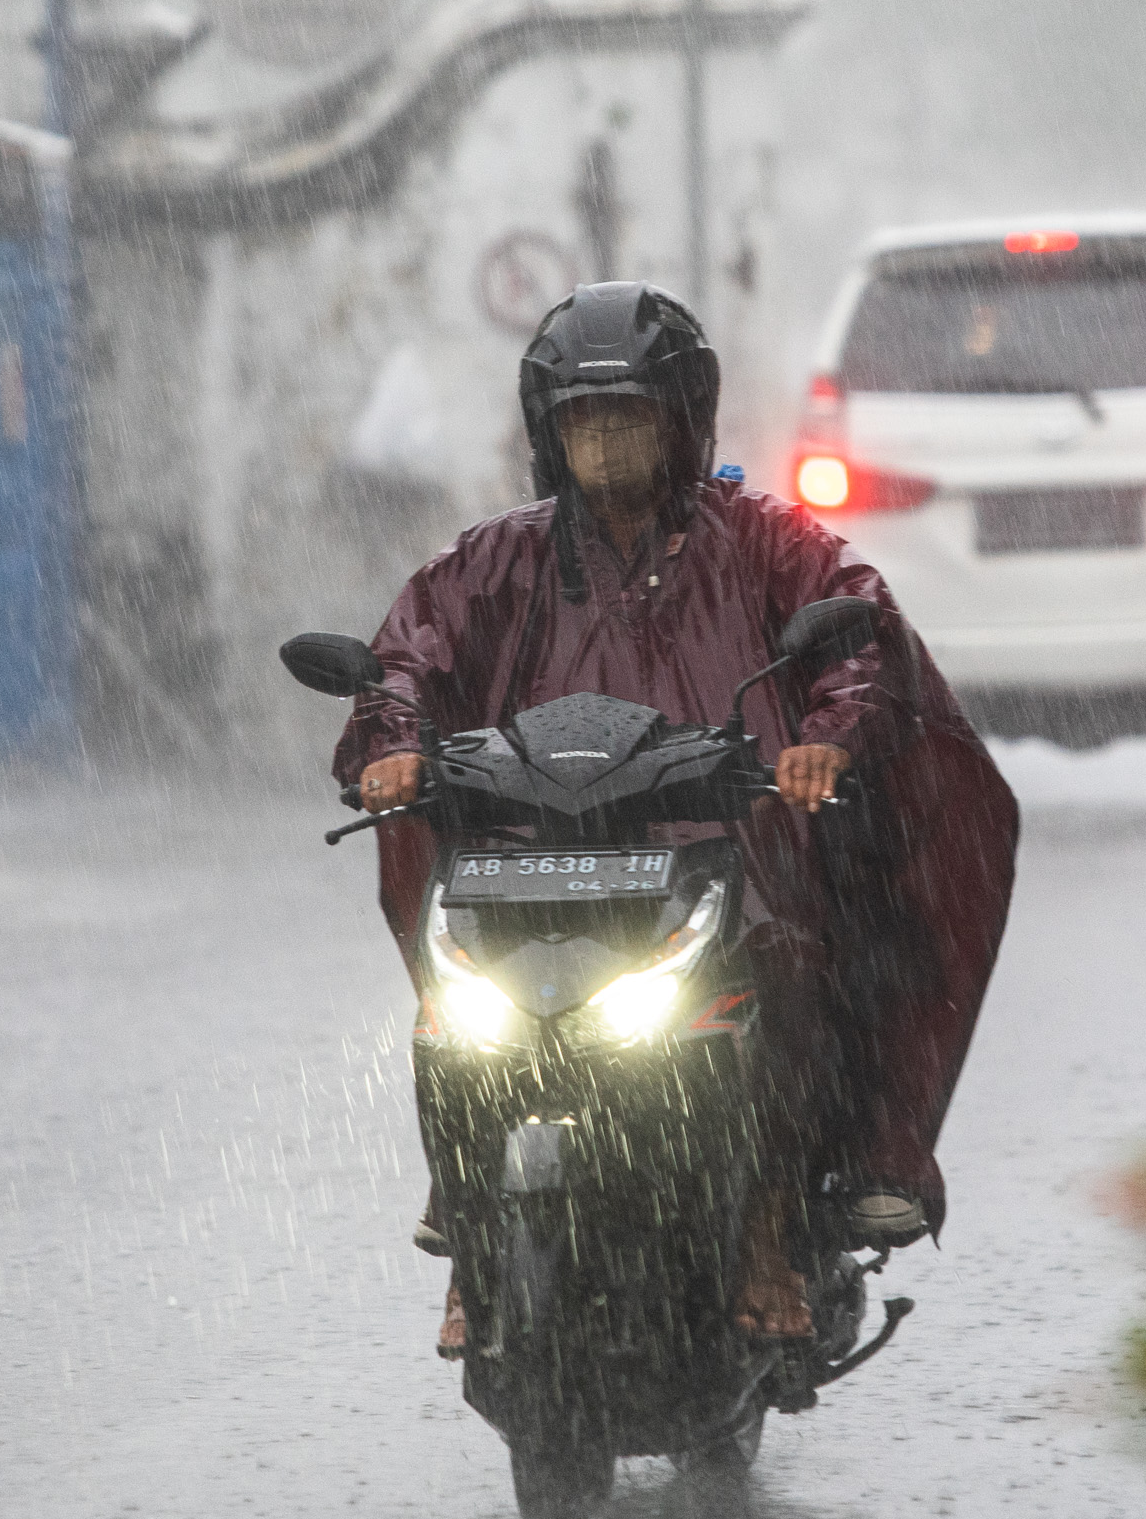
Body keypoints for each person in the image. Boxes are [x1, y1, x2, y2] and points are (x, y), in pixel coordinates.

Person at [328, 281, 1019, 1357]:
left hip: (727, 864)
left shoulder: (767, 540)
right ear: (550, 431)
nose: (603, 441)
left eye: (627, 414)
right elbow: (406, 658)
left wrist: (827, 734)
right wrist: (391, 744)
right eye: (582, 418)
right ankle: (472, 1231)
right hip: (529, 867)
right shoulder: (492, 559)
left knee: (790, 973)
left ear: (679, 417)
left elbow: (859, 638)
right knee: (450, 1016)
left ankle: (767, 1231)